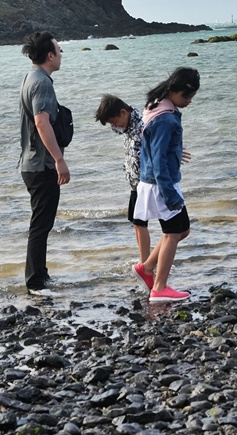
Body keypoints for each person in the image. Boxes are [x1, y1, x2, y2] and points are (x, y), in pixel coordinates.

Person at [95, 94, 193, 283]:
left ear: (124, 113)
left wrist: (174, 152)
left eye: (115, 122)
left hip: (148, 183)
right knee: (139, 224)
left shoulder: (141, 125)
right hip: (136, 182)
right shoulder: (127, 123)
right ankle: (146, 267)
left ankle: (146, 267)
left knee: (173, 230)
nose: (115, 127)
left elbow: (158, 148)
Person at [134, 67, 200, 303]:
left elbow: (154, 150)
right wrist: (169, 194)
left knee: (182, 229)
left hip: (156, 180)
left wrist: (174, 152)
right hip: (162, 183)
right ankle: (159, 288)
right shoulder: (165, 118)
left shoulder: (158, 106)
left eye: (192, 97)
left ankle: (147, 267)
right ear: (173, 90)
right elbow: (159, 160)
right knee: (173, 232)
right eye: (186, 97)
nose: (189, 102)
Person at [18, 31, 69, 296]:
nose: (61, 55)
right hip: (41, 165)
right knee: (41, 224)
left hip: (31, 163)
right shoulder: (42, 83)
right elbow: (41, 122)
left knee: (42, 222)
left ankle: (41, 273)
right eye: (59, 51)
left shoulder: (31, 77)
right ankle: (35, 282)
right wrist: (59, 160)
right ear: (50, 55)